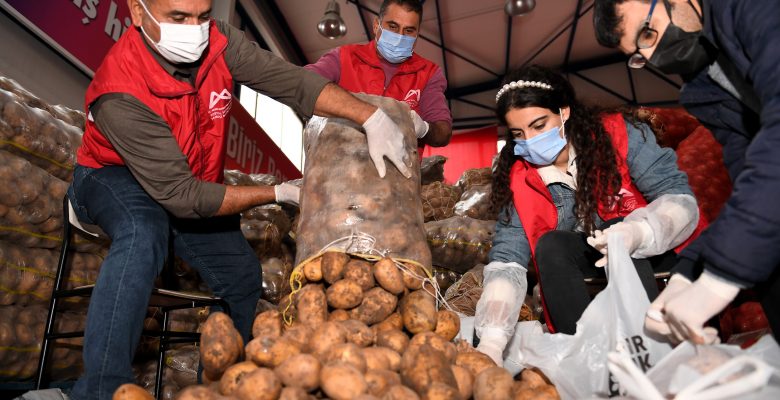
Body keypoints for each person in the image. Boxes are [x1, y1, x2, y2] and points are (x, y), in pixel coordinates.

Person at [25, 1, 414, 399]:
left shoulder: (219, 42)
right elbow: (184, 198)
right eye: (178, 17)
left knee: (243, 277)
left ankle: (216, 388)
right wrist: (276, 192)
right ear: (138, 13)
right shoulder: (120, 93)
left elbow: (292, 82)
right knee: (145, 232)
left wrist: (369, 116)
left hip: (187, 182)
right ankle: (99, 391)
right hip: (111, 176)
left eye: (202, 15)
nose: (195, 29)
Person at [473, 65, 701, 365]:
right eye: (519, 133)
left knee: (619, 225)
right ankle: (581, 358)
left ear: (564, 112)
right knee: (551, 245)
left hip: (656, 248)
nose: (529, 139)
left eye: (539, 125)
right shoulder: (522, 176)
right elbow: (508, 257)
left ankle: (646, 353)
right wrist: (491, 339)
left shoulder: (617, 134)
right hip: (592, 259)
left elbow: (679, 198)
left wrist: (638, 232)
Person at [594, 0, 780, 344]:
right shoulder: (705, 88)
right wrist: (690, 273)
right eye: (638, 54)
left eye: (647, 33)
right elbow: (749, 180)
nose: (651, 57)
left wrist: (720, 278)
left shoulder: (753, 9)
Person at [305, 0, 452, 149]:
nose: (400, 36)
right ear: (376, 25)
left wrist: (423, 129)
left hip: (397, 169)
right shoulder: (344, 58)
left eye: (408, 30)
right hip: (336, 163)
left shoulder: (428, 73)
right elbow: (304, 85)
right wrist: (358, 111)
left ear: (417, 34)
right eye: (393, 26)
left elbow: (443, 134)